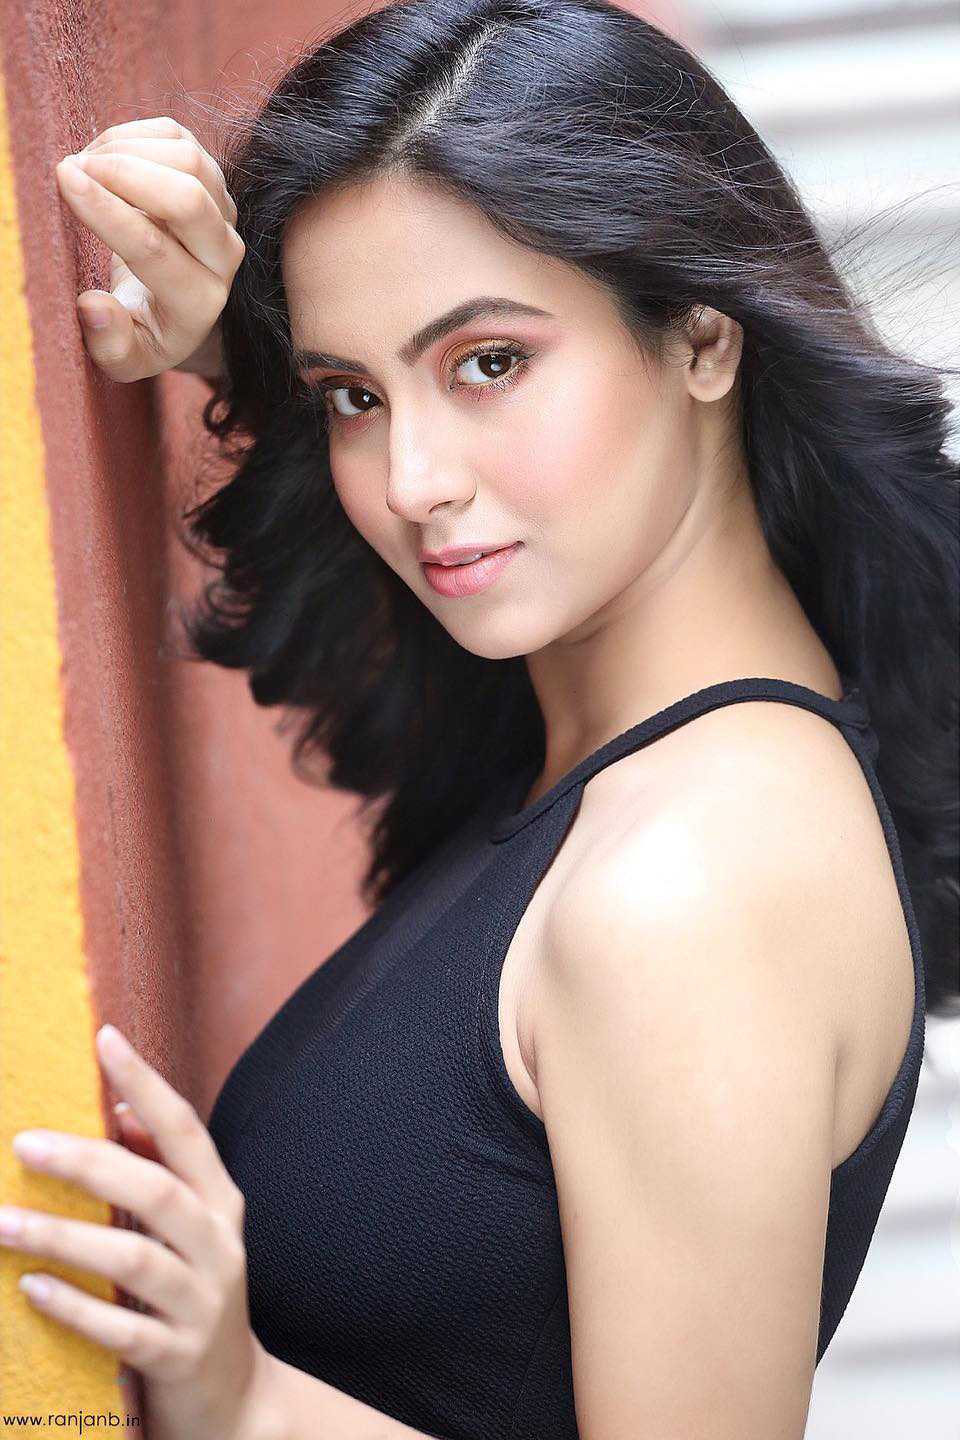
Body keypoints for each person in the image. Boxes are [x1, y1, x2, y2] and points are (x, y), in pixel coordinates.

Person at [53, 0, 958, 1435]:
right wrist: (227, 344)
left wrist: (249, 1406)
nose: (412, 480)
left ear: (704, 338)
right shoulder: (600, 756)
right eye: (352, 393)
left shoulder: (695, 882)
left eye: (489, 363)